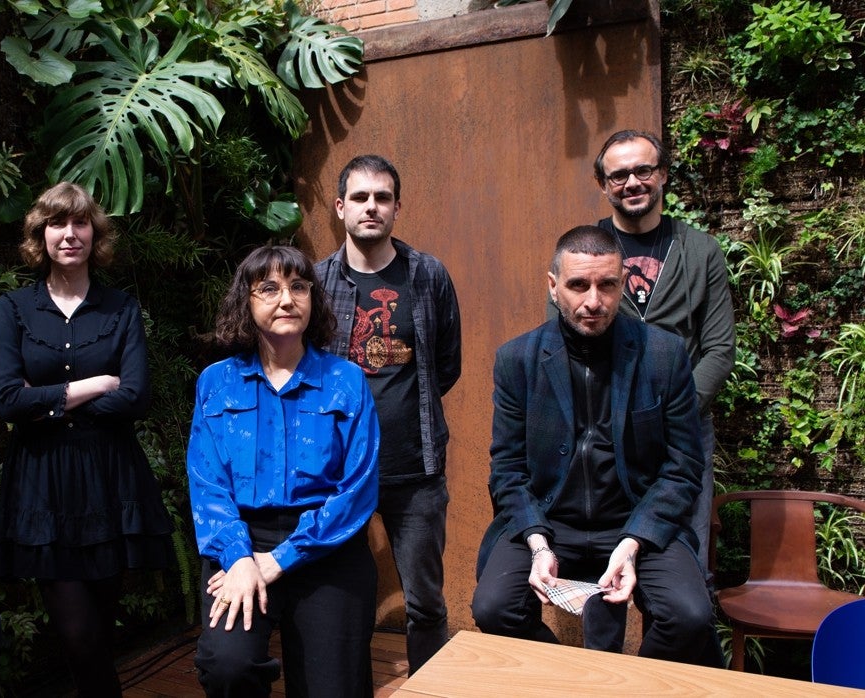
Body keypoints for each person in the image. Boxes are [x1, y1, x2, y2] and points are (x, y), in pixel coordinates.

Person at [473, 225, 721, 667]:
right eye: (578, 285)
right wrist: (537, 543)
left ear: (622, 283)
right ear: (553, 287)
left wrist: (631, 543)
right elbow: (506, 469)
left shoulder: (663, 355)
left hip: (635, 518)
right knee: (493, 608)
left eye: (607, 285)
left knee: (690, 616)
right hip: (549, 520)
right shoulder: (517, 360)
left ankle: (627, 687)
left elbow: (683, 466)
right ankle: (573, 682)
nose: (593, 301)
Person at [0, 182, 174, 697]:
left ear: (96, 232)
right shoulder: (14, 309)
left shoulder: (121, 308)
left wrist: (43, 399)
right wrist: (95, 384)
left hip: (109, 479)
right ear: (39, 234)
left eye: (80, 223)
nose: (69, 234)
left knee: (98, 631)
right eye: (56, 224)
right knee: (77, 635)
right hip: (42, 483)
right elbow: (5, 399)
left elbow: (135, 399)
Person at [189, 245, 380, 697]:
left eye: (298, 287)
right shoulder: (216, 381)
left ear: (314, 299)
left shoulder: (347, 380)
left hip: (329, 545)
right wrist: (238, 557)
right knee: (227, 666)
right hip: (240, 541)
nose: (287, 299)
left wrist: (280, 559)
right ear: (246, 301)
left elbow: (357, 489)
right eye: (269, 289)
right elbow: (207, 483)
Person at [556, 130, 735, 569]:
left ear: (663, 176)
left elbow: (718, 349)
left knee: (684, 564)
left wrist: (670, 414)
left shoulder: (700, 251)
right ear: (603, 185)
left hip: (684, 433)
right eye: (618, 175)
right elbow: (561, 339)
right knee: (604, 563)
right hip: (601, 431)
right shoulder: (582, 250)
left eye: (643, 170)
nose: (632, 182)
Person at [315, 154, 462, 674]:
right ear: (340, 207)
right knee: (341, 601)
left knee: (425, 602)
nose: (370, 207)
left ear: (397, 206)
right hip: (340, 473)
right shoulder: (317, 283)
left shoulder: (428, 275)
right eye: (359, 197)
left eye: (381, 197)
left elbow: (446, 365)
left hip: (415, 469)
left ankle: (430, 687)